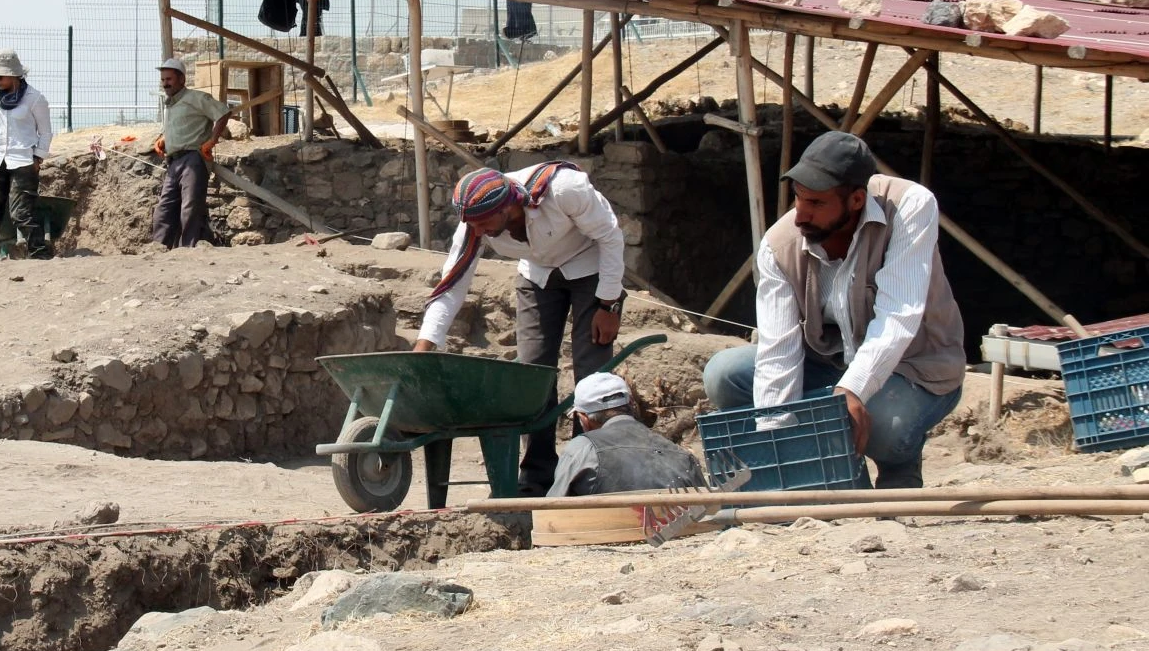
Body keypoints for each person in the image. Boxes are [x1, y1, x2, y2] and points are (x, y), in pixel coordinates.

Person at [702, 131, 966, 489]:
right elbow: (778, 350)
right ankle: (841, 477)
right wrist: (777, 438)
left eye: (815, 203)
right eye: (798, 198)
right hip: (828, 365)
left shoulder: (910, 206)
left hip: (914, 367)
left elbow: (898, 315)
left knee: (887, 430)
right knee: (725, 373)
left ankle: (900, 465)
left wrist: (852, 391)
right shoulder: (778, 246)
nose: (800, 214)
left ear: (856, 200)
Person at [414, 163, 627, 496]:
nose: (479, 232)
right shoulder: (473, 224)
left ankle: (587, 473)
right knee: (531, 374)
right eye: (473, 225)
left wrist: (608, 305)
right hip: (537, 275)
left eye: (485, 223)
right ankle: (537, 476)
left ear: (507, 207)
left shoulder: (565, 190)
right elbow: (452, 285)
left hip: (591, 266)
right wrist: (422, 349)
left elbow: (611, 236)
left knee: (592, 375)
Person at [547, 373, 706, 497]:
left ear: (584, 418)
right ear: (632, 404)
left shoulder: (581, 449)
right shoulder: (681, 455)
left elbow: (551, 513)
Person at [0, 48, 54, 260]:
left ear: (13, 74)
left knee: (21, 213)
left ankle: (39, 255)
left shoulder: (35, 99)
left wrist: (39, 157)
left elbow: (45, 132)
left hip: (23, 161)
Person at [151, 58, 231, 249]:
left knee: (190, 208)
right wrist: (164, 139)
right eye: (163, 80)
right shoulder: (170, 104)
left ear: (182, 80)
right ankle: (158, 249)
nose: (165, 83)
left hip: (193, 160)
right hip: (174, 161)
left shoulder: (196, 98)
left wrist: (212, 141)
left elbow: (223, 113)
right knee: (164, 209)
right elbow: (181, 125)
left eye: (169, 79)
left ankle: (189, 250)